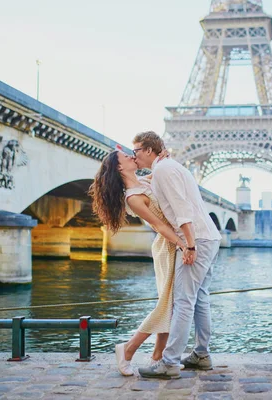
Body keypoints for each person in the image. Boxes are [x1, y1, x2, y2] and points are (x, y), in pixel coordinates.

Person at [89, 149, 188, 376]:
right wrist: (182, 244)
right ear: (119, 167)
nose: (132, 157)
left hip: (173, 243)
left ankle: (158, 356)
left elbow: (162, 171)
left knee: (170, 304)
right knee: (166, 304)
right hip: (167, 245)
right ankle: (128, 349)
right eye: (126, 157)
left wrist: (164, 157)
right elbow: (159, 226)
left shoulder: (143, 181)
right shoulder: (133, 196)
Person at [132, 131, 222, 380]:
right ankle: (201, 354)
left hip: (197, 239)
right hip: (210, 237)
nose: (134, 156)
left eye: (136, 151)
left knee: (183, 301)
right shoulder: (169, 167)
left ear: (149, 150)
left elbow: (181, 209)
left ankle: (169, 363)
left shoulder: (164, 170)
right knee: (200, 298)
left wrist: (189, 245)